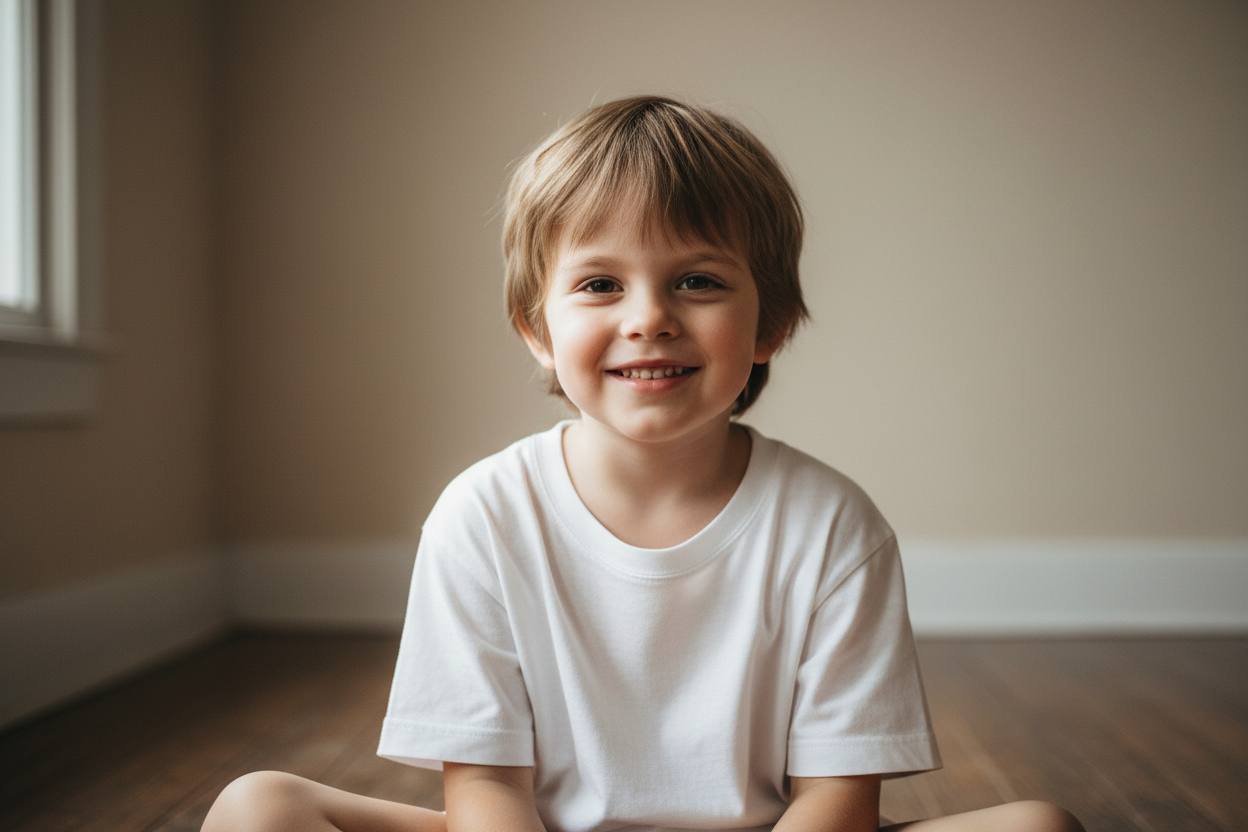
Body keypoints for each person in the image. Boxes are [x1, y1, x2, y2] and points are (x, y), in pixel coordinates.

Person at [202, 96, 1084, 832]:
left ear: (771, 323)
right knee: (259, 808)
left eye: (698, 281)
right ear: (538, 333)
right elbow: (485, 788)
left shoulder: (832, 526)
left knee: (1038, 826)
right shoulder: (482, 514)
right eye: (599, 284)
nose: (649, 318)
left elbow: (839, 800)